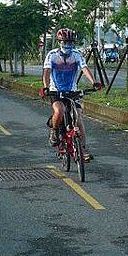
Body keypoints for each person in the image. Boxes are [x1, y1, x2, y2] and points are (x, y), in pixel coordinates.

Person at [40, 28, 101, 162]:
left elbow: (84, 68)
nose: (67, 45)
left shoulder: (76, 55)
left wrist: (93, 82)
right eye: (64, 42)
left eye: (70, 42)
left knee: (78, 119)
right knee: (59, 111)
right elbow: (46, 72)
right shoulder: (52, 55)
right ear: (59, 42)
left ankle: (83, 150)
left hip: (72, 91)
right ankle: (54, 131)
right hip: (56, 91)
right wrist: (45, 87)